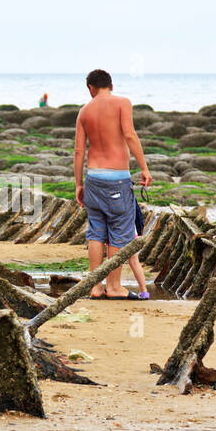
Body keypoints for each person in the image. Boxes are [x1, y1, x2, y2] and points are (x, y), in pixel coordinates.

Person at [74, 69, 152, 298]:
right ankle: (114, 287)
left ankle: (95, 287)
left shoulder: (84, 111)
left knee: (96, 232)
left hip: (93, 179)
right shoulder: (122, 103)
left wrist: (78, 184)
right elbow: (129, 135)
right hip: (117, 180)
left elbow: (79, 151)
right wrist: (144, 168)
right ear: (111, 85)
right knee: (119, 231)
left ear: (91, 88)